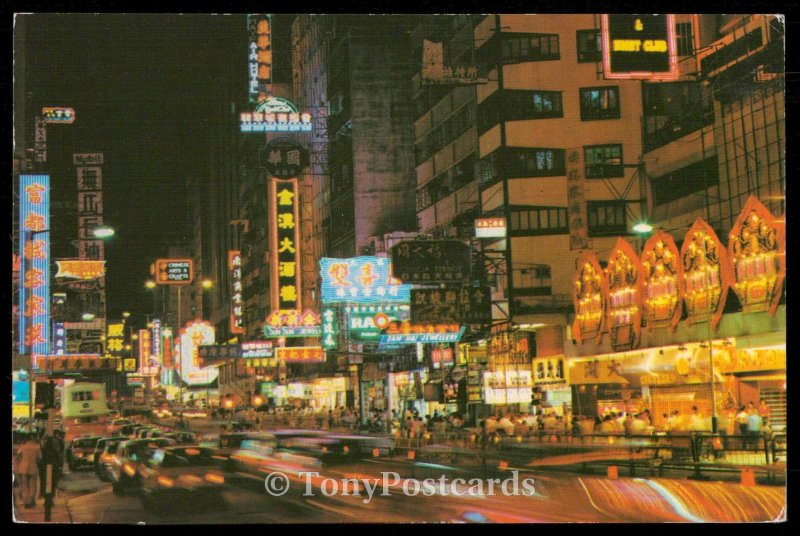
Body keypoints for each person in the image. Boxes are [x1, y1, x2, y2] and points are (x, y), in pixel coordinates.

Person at [15, 435, 41, 508]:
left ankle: (26, 501)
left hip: (23, 468)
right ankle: (32, 501)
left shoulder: (22, 446)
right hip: (33, 467)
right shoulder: (37, 447)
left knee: (25, 486)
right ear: (33, 439)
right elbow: (40, 457)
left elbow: (18, 456)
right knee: (33, 485)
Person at [39, 434, 64, 499]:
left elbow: (41, 460)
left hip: (45, 469)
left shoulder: (44, 451)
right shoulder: (54, 451)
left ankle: (45, 496)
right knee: (53, 484)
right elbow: (58, 459)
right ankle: (51, 496)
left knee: (45, 483)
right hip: (54, 469)